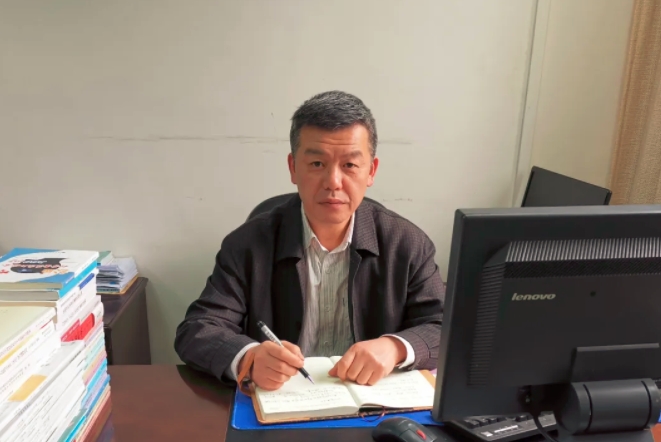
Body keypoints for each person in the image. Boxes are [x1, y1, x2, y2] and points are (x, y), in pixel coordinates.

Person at [174, 90, 444, 391]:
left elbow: (444, 325)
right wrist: (249, 357)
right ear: (293, 168)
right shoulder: (247, 245)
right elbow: (198, 329)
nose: (333, 182)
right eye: (317, 164)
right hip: (282, 401)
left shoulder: (407, 244)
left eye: (350, 165)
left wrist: (395, 347)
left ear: (371, 171)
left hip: (371, 403)